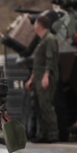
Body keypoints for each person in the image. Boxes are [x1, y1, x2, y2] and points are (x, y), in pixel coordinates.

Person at [24, 13, 59, 143]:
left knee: (46, 106)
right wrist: (32, 79)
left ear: (39, 25)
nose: (34, 26)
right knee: (39, 106)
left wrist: (46, 76)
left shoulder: (50, 39)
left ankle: (53, 133)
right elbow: (38, 63)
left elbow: (50, 60)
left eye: (35, 23)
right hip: (38, 78)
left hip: (45, 78)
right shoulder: (42, 40)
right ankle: (44, 133)